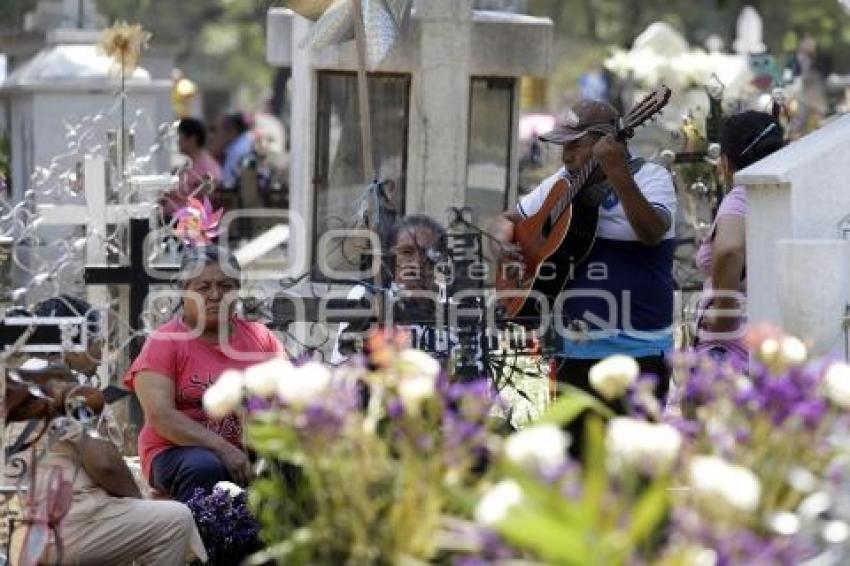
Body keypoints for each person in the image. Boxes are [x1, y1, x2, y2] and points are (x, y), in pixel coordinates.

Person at [489, 99, 677, 409]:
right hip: (574, 351)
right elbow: (506, 220)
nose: (565, 155)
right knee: (573, 453)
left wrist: (618, 174)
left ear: (607, 141)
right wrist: (503, 250)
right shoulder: (563, 181)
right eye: (563, 146)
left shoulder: (651, 177)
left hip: (639, 351)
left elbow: (651, 232)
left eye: (575, 145)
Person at [5, 295, 207, 565]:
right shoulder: (65, 388)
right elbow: (105, 464)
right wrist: (136, 500)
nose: (102, 351)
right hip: (62, 527)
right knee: (175, 520)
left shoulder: (17, 380)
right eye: (98, 339)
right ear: (75, 344)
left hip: (15, 529)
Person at [124, 246, 285, 502]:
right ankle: (206, 539)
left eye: (226, 286)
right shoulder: (166, 341)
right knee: (205, 466)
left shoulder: (260, 338)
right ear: (185, 291)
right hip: (175, 449)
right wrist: (223, 448)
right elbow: (161, 417)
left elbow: (284, 397)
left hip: (248, 444)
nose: (215, 295)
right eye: (203, 287)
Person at [695, 111, 784, 366]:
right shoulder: (781, 193)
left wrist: (723, 316)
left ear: (725, 161)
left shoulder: (741, 196)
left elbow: (730, 249)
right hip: (770, 332)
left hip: (730, 346)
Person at [331, 215, 447, 365]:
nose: (417, 262)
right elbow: (344, 367)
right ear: (391, 258)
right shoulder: (368, 295)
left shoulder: (457, 300)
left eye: (427, 253)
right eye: (406, 252)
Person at [162, 117, 223, 217]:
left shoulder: (208, 167)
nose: (176, 142)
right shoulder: (184, 164)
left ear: (192, 139)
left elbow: (212, 197)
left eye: (178, 137)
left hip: (189, 222)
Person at [218, 112, 254, 193]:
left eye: (225, 128)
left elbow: (227, 178)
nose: (222, 132)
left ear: (232, 129)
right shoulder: (244, 142)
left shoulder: (237, 149)